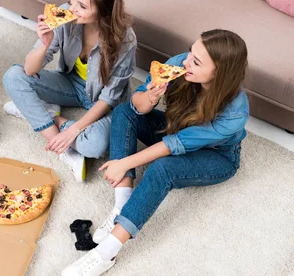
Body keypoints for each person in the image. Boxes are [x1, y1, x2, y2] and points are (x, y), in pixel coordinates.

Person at [62, 29, 249, 275]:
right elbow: (135, 105)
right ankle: (122, 203)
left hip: (217, 155)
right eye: (191, 52)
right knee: (122, 112)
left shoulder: (235, 113)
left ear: (219, 73)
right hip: (175, 129)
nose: (185, 61)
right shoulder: (180, 65)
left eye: (196, 61)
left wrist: (123, 162)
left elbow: (173, 146)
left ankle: (106, 253)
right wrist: (150, 96)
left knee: (162, 169)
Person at [2, 0, 136, 182]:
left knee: (93, 146)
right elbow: (29, 70)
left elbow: (109, 98)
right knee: (13, 77)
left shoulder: (125, 39)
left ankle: (46, 115)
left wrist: (73, 129)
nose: (72, 7)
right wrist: (44, 45)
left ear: (103, 12)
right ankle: (67, 152)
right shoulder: (64, 15)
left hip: (107, 103)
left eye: (82, 6)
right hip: (70, 85)